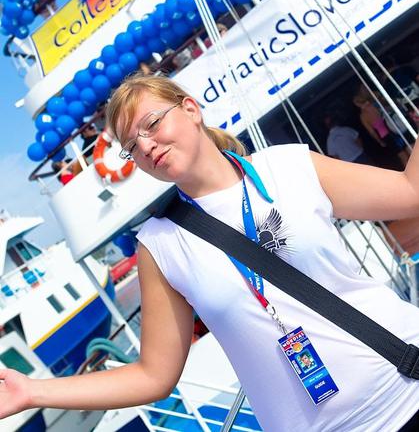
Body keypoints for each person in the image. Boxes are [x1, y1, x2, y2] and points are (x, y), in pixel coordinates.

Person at [1, 73, 419, 432]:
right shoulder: (160, 245)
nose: (145, 146)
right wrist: (34, 391)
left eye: (152, 124)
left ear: (191, 110)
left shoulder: (288, 167)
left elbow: (410, 192)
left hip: (408, 380)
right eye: (131, 146)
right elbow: (153, 376)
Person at [353, 90, 410, 167]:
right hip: (394, 128)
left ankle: (410, 172)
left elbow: (371, 132)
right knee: (408, 148)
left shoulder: (363, 116)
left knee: (402, 155)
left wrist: (379, 141)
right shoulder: (375, 105)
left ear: (357, 104)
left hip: (385, 134)